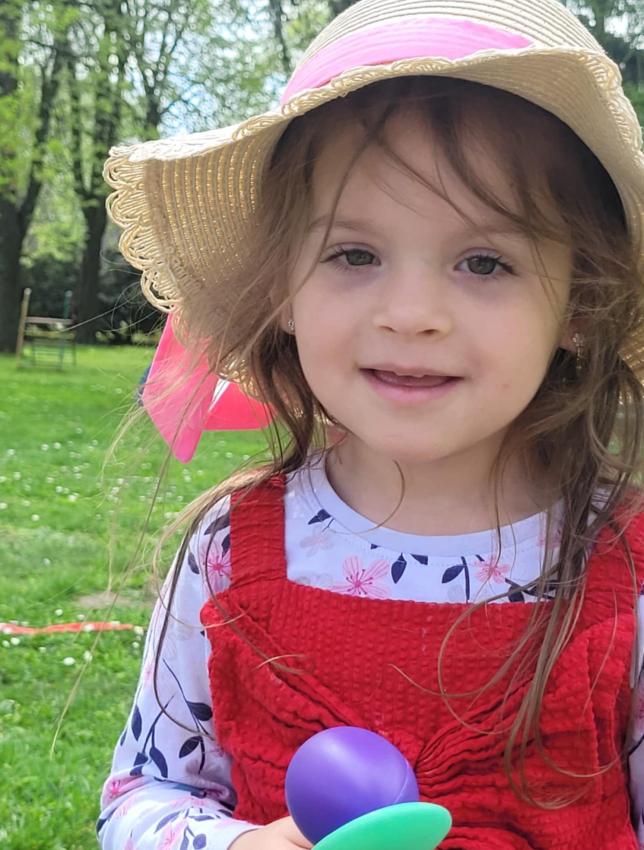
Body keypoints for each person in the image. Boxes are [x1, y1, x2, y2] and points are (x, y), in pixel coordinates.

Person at [97, 0, 644, 847]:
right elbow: (145, 790)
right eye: (354, 254)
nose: (410, 313)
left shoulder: (624, 562)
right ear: (283, 289)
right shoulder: (229, 549)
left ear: (581, 302)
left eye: (484, 261)